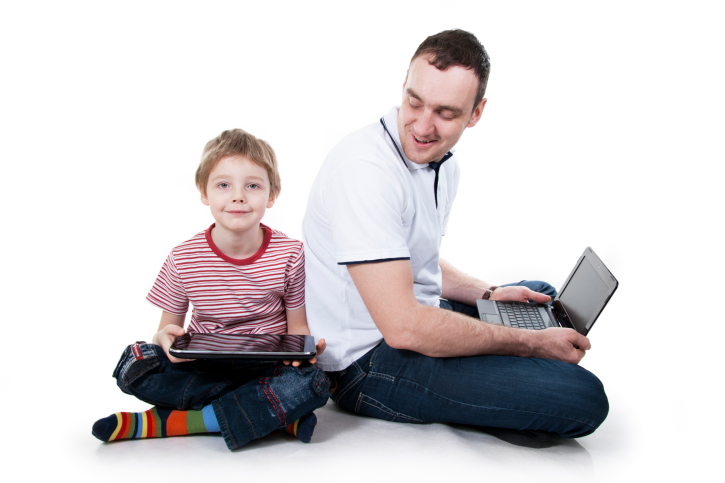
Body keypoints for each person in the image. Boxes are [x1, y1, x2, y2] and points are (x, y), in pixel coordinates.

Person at [302, 29, 608, 438]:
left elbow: (412, 256)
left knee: (540, 295)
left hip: (408, 317)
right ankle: (518, 378)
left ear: (476, 113)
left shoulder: (442, 164)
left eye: (446, 113)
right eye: (414, 102)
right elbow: (404, 327)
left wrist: (488, 294)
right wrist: (529, 345)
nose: (423, 126)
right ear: (404, 86)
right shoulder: (365, 171)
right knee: (583, 398)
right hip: (366, 363)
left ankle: (512, 370)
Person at [92, 129, 329, 451]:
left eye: (253, 185)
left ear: (272, 196)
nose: (238, 196)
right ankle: (268, 413)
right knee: (134, 361)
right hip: (203, 367)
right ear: (204, 192)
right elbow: (166, 332)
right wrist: (164, 340)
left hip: (264, 367)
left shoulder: (290, 254)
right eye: (223, 185)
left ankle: (178, 421)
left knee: (315, 383)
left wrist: (305, 351)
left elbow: (296, 327)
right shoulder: (183, 257)